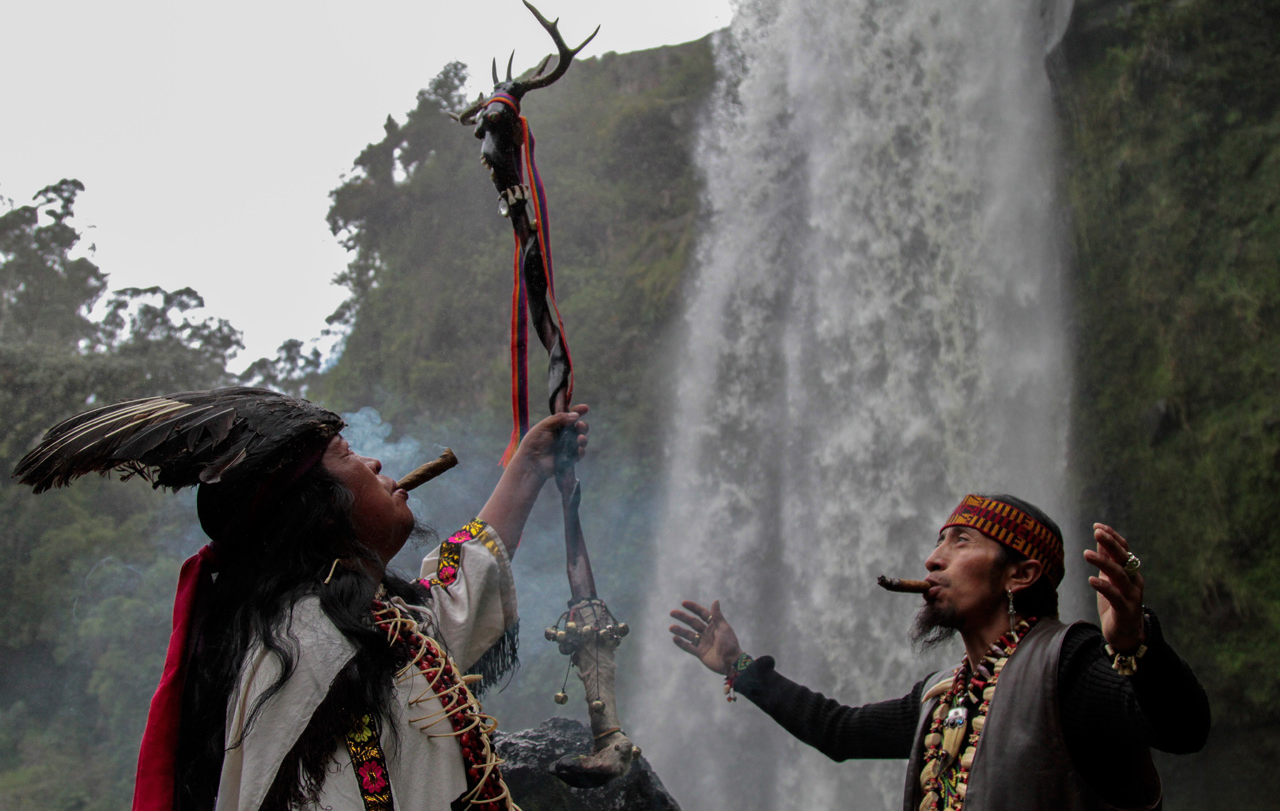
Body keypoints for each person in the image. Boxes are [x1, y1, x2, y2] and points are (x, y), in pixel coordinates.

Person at [14, 386, 588, 811]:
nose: (375, 462)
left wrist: (528, 469)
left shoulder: (358, 624)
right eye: (346, 454)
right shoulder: (302, 648)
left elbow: (447, 610)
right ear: (315, 510)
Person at [669, 494, 1210, 811]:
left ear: (1020, 574)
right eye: (938, 541)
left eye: (961, 542)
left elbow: (1184, 730)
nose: (931, 560)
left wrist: (1136, 644)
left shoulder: (1067, 666)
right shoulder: (944, 694)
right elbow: (836, 730)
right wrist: (739, 666)